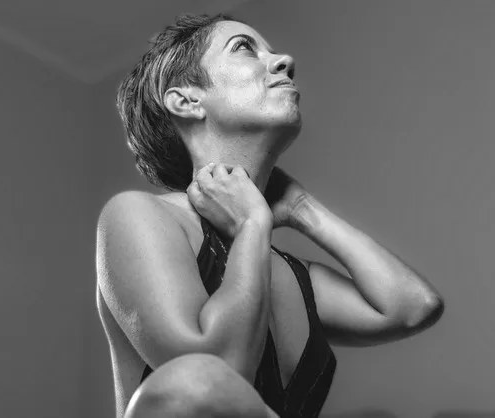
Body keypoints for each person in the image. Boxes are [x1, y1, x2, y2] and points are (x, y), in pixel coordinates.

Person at [96, 13, 444, 418]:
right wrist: (252, 224)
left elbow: (413, 306)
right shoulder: (138, 215)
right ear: (186, 101)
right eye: (245, 47)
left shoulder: (292, 274)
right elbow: (210, 380)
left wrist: (302, 209)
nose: (284, 60)